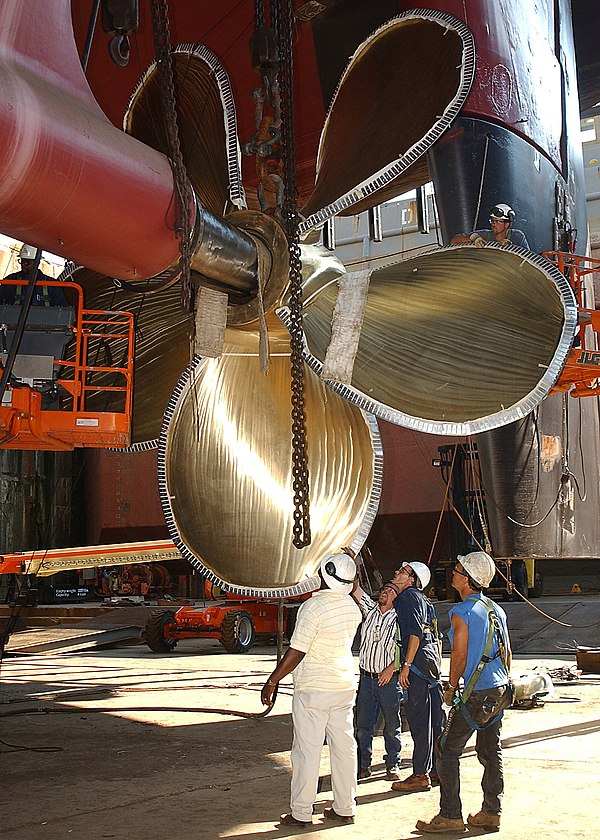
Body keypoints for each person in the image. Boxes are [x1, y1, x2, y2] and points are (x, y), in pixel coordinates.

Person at [261, 552, 362, 829]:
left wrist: (273, 680)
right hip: (343, 686)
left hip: (314, 690)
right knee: (344, 748)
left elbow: (297, 651)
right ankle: (345, 807)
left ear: (324, 576)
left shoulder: (314, 608)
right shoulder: (352, 607)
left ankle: (302, 812)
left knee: (307, 751)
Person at [416, 551, 513, 835]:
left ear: (468, 579)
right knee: (490, 750)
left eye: (457, 570)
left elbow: (458, 655)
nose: (453, 573)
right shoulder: (496, 608)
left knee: (447, 751)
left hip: (478, 692)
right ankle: (491, 812)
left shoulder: (462, 612)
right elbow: (506, 651)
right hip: (499, 689)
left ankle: (450, 816)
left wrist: (451, 687)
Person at [389, 561, 445, 793]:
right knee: (435, 720)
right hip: (431, 664)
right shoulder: (423, 599)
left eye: (402, 571)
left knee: (420, 720)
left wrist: (406, 666)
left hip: (419, 665)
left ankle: (420, 775)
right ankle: (437, 769)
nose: (396, 572)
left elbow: (414, 633)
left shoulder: (407, 597)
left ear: (412, 580)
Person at [351, 579, 403, 780]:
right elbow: (356, 588)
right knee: (363, 726)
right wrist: (351, 561)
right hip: (366, 678)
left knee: (391, 725)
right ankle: (363, 765)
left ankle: (393, 764)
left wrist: (392, 668)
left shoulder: (400, 618)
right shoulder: (371, 610)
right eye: (384, 589)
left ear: (397, 598)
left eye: (390, 591)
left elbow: (407, 646)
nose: (385, 592)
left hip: (388, 681)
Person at [1, 243, 67, 306]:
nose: (24, 264)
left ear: (37, 262)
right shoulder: (10, 282)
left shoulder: (52, 285)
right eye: (22, 261)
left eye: (28, 262)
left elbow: (62, 311)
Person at [450, 203, 530, 249]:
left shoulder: (517, 237)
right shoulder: (484, 235)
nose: (493, 224)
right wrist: (473, 238)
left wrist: (511, 249)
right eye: (492, 220)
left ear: (507, 224)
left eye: (497, 221)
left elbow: (528, 259)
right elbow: (454, 241)